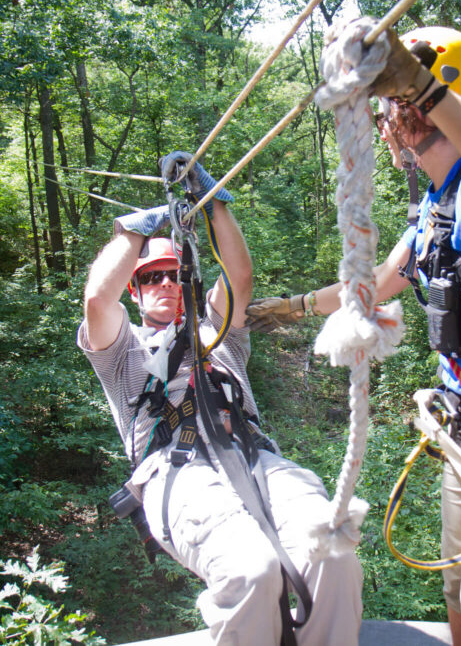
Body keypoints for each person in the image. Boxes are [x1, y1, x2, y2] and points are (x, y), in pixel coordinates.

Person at [246, 26, 461, 646]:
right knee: (458, 590)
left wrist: (426, 90)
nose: (381, 122)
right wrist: (285, 310)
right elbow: (374, 281)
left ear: (421, 105)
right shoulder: (438, 206)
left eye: (390, 106)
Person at [78, 151, 362, 645]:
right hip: (177, 470)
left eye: (173, 274)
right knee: (250, 569)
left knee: (331, 549)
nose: (165, 283)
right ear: (135, 288)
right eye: (151, 276)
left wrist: (214, 204)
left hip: (253, 456)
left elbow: (241, 279)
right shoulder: (121, 352)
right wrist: (134, 232)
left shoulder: (218, 335)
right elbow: (97, 303)